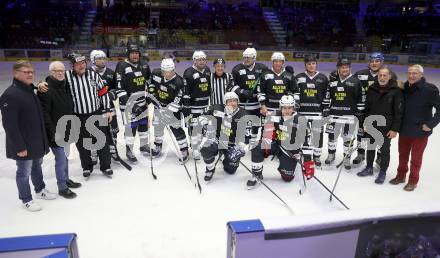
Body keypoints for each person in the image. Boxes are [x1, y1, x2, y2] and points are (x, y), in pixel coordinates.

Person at [0, 60, 56, 211]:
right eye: (26, 72)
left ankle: (40, 189)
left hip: (36, 141)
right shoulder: (10, 95)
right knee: (23, 172)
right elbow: (9, 125)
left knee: (37, 166)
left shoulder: (29, 90)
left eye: (31, 71)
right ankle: (26, 199)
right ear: (16, 74)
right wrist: (19, 146)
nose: (30, 74)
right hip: (23, 143)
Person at [389, 64, 440, 191]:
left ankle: (413, 180)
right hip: (405, 129)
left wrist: (431, 124)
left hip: (420, 131)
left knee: (416, 158)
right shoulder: (404, 87)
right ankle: (400, 176)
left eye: (415, 73)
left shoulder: (430, 89)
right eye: (409, 73)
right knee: (402, 155)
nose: (411, 75)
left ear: (421, 75)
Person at [248, 95, 314, 188]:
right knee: (257, 147)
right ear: (281, 107)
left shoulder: (301, 120)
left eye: (289, 108)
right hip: (277, 144)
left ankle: (290, 164)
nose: (287, 110)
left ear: (293, 108)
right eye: (284, 108)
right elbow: (266, 133)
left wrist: (307, 161)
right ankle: (256, 175)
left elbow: (308, 141)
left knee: (287, 178)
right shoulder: (274, 115)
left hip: (290, 151)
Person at [65, 53, 113, 178]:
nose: (81, 66)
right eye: (78, 64)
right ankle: (87, 167)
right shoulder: (66, 77)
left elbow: (103, 92)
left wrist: (107, 109)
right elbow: (53, 83)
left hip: (96, 113)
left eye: (83, 63)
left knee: (102, 140)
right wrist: (43, 83)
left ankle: (106, 166)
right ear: (72, 65)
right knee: (82, 143)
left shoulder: (93, 74)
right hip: (78, 116)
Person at [38, 61, 82, 199]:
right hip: (55, 132)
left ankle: (66, 179)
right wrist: (53, 133)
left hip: (66, 128)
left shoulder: (64, 85)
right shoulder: (46, 90)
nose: (60, 72)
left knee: (66, 157)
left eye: (62, 70)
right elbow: (45, 115)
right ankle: (62, 187)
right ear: (51, 72)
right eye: (57, 70)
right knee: (61, 159)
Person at [357, 66, 403, 184]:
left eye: (385, 75)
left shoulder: (396, 91)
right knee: (371, 148)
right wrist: (365, 123)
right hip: (372, 125)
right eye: (380, 75)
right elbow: (367, 108)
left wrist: (394, 129)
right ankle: (369, 168)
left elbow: (398, 112)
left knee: (384, 151)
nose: (382, 77)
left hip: (386, 127)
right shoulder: (372, 89)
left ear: (389, 76)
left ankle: (382, 172)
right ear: (377, 77)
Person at [352, 52, 398, 167]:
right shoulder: (360, 74)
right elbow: (350, 87)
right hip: (363, 110)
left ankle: (379, 156)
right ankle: (361, 153)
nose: (374, 63)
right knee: (361, 133)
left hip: (381, 110)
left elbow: (395, 92)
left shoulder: (388, 75)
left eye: (377, 61)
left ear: (382, 62)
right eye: (372, 61)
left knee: (380, 134)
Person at [199, 92, 253, 182]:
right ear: (225, 102)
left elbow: (248, 138)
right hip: (217, 139)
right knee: (206, 148)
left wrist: (240, 149)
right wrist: (204, 123)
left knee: (230, 170)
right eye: (230, 101)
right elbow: (203, 116)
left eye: (235, 101)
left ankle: (226, 157)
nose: (233, 103)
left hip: (233, 144)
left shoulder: (244, 115)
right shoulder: (216, 108)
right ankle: (210, 168)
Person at [324, 58, 364, 170]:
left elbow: (361, 98)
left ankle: (347, 157)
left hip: (349, 116)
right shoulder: (332, 82)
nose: (344, 69)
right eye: (342, 67)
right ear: (338, 68)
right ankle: (331, 154)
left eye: (346, 67)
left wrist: (359, 111)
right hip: (334, 115)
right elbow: (327, 96)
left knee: (348, 139)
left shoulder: (356, 81)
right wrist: (326, 108)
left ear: (350, 68)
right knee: (332, 137)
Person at [146, 58, 189, 162]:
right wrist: (151, 92)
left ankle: (184, 150)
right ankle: (158, 147)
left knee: (176, 129)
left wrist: (168, 111)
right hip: (158, 106)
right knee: (158, 127)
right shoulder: (156, 73)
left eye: (170, 71)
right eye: (165, 72)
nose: (167, 74)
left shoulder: (179, 82)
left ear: (174, 69)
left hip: (173, 110)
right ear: (161, 70)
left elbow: (178, 100)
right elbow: (150, 82)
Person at [114, 44, 151, 162]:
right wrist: (132, 106)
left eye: (137, 53)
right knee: (131, 127)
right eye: (132, 53)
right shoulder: (122, 66)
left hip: (141, 103)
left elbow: (149, 82)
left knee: (144, 125)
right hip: (128, 105)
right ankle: (129, 150)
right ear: (128, 54)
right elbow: (119, 89)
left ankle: (144, 145)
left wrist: (150, 95)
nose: (135, 55)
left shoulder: (144, 65)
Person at [295, 55, 329, 168]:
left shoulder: (323, 78)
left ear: (316, 64)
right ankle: (306, 154)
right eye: (309, 64)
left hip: (317, 112)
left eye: (313, 63)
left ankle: (317, 156)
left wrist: (325, 108)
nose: (311, 65)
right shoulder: (299, 77)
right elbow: (295, 93)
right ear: (305, 65)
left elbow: (326, 95)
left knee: (317, 135)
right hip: (303, 112)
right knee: (303, 135)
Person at [230, 48, 268, 142]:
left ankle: (254, 141)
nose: (246, 59)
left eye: (249, 57)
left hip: (256, 104)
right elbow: (230, 86)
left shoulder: (262, 68)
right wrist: (242, 91)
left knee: (255, 124)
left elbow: (268, 83)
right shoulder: (237, 69)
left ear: (254, 58)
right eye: (245, 57)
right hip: (242, 104)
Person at [90, 50, 119, 162]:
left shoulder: (111, 72)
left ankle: (113, 150)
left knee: (113, 130)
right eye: (99, 59)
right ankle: (94, 152)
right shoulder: (88, 73)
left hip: (110, 108)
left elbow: (117, 87)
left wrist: (112, 94)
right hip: (94, 108)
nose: (102, 61)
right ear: (93, 60)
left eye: (103, 58)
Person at [182, 50, 211, 160]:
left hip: (204, 106)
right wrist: (187, 106)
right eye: (199, 59)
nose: (202, 62)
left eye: (203, 59)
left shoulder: (207, 70)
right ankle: (194, 149)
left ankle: (198, 146)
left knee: (203, 129)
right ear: (194, 60)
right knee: (194, 130)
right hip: (193, 107)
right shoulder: (188, 73)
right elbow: (185, 91)